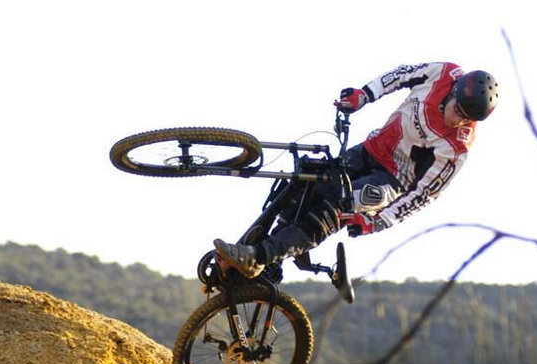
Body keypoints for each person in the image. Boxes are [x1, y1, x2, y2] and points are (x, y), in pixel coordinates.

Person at [213, 62, 499, 278]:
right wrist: (364, 95)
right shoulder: (444, 73)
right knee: (307, 184)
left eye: (467, 119)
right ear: (454, 90)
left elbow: (423, 196)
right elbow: (399, 76)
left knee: (334, 209)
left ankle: (258, 257)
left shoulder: (457, 147)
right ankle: (261, 261)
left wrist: (377, 222)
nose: (458, 120)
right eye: (458, 110)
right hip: (368, 149)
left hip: (391, 181)